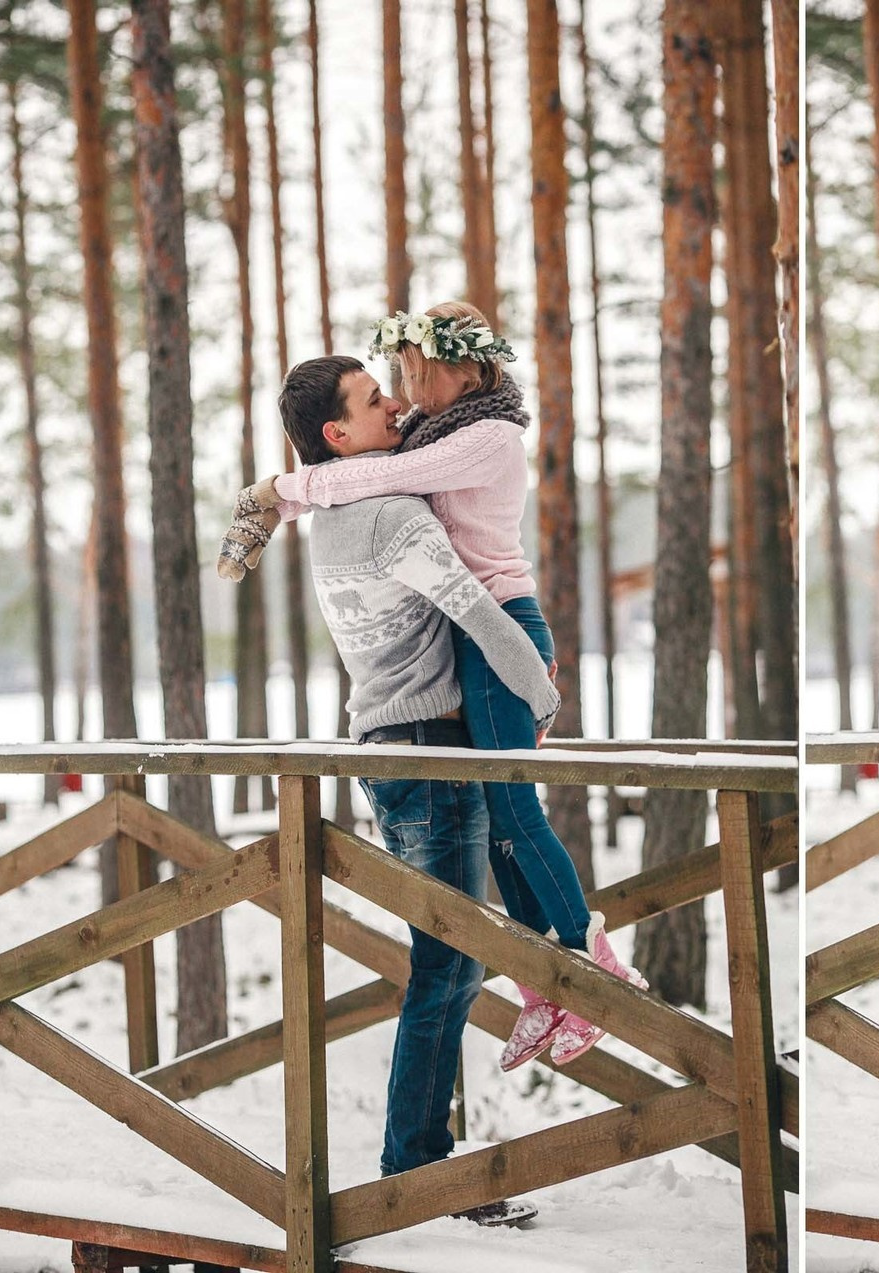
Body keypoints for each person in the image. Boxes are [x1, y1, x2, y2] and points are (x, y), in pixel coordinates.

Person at [222, 303, 641, 1072]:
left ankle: (596, 969)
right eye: (394, 379)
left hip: (504, 629)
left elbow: (381, 474)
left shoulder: (484, 437)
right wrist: (266, 512)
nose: (401, 391)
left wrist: (276, 486)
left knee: (516, 809)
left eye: (411, 372)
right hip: (476, 641)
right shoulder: (431, 427)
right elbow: (356, 472)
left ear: (454, 365)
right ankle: (544, 986)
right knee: (504, 828)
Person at [274, 353, 562, 1226]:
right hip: (429, 752)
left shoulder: (332, 517)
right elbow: (476, 607)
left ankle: (422, 1165)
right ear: (337, 435)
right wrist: (542, 691)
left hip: (386, 746)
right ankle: (417, 1173)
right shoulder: (393, 514)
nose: (392, 403)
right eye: (372, 400)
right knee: (448, 963)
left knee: (450, 959)